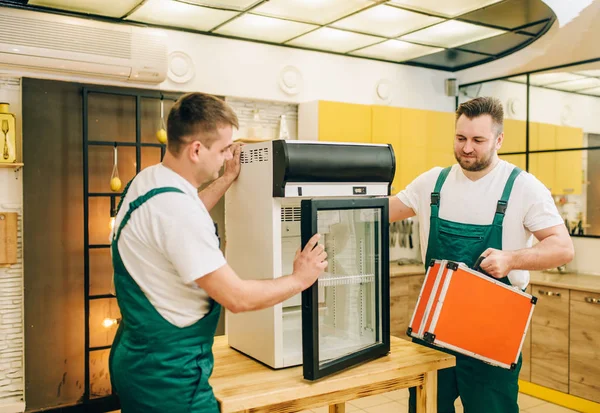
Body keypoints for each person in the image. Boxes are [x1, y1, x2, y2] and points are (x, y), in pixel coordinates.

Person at [108, 92, 328, 413]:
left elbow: (185, 215)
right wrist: (300, 278)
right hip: (169, 377)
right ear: (196, 149)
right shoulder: (176, 211)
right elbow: (237, 298)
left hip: (138, 357)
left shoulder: (149, 181)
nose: (228, 156)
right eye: (224, 149)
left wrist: (227, 179)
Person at [389, 96, 574, 413]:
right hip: (433, 327)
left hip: (492, 333)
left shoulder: (522, 187)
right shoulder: (434, 182)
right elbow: (380, 212)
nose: (467, 148)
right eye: (460, 138)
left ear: (499, 139)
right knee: (425, 407)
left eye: (478, 140)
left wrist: (511, 259)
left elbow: (562, 247)